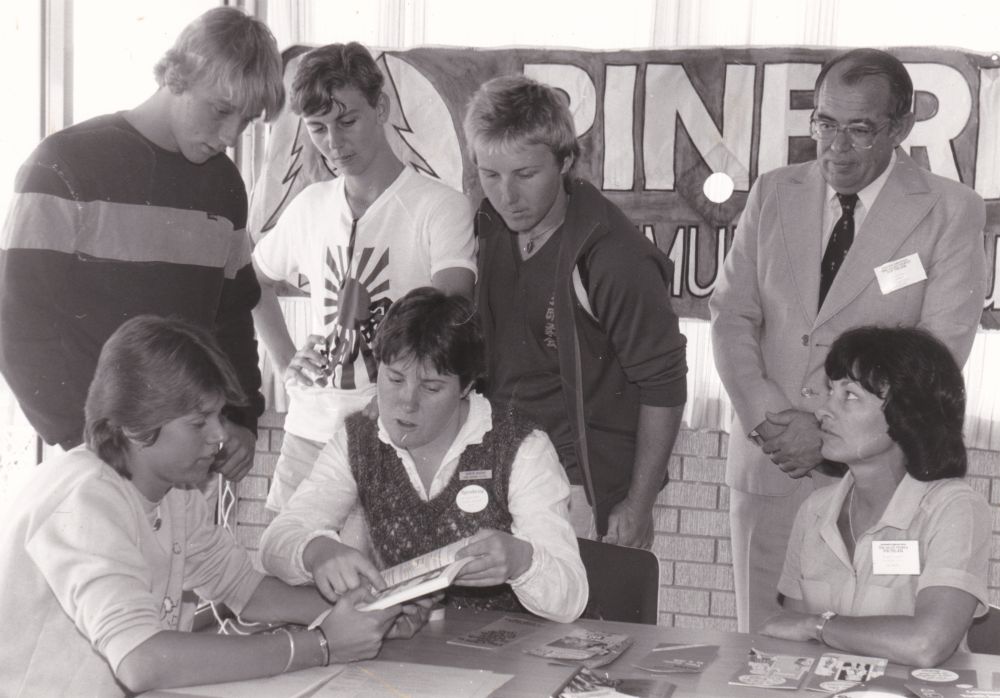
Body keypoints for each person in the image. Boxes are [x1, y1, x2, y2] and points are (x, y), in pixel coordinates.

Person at [0, 315, 428, 695]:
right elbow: (140, 661)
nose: (219, 436)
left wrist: (367, 616)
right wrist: (321, 646)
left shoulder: (176, 491)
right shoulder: (83, 499)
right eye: (198, 422)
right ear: (134, 426)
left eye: (219, 416)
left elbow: (244, 588)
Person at [709, 48, 987, 632]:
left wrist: (834, 425)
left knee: (880, 650)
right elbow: (733, 316)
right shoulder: (772, 192)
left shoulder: (949, 210)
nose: (836, 147)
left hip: (885, 479)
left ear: (901, 128)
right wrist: (775, 420)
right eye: (825, 124)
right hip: (773, 459)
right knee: (765, 647)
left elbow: (939, 350)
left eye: (859, 130)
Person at [0, 7, 285, 482]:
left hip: (188, 467)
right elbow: (18, 323)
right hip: (90, 464)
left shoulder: (225, 186)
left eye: (248, 120)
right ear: (178, 75)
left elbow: (231, 319)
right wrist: (85, 442)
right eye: (221, 109)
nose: (231, 136)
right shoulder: (63, 165)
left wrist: (241, 419)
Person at [260, 287, 588, 623]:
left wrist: (523, 562)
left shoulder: (521, 447)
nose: (407, 401)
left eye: (431, 387)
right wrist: (317, 551)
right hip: (406, 656)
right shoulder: (359, 439)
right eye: (394, 378)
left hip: (511, 660)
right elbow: (276, 541)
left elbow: (571, 599)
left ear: (466, 386)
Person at [464, 75, 687, 549]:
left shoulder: (614, 257)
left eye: (526, 174)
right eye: (490, 175)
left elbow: (665, 387)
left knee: (581, 626)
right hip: (494, 474)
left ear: (565, 161)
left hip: (580, 490)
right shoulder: (486, 227)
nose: (507, 195)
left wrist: (636, 505)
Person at [252, 42, 476, 512]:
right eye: (317, 128)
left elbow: (452, 308)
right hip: (310, 433)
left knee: (385, 581)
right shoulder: (309, 206)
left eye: (347, 121)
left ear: (382, 108)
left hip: (397, 437)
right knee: (283, 570)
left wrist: (396, 392)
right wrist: (286, 361)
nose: (333, 142)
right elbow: (252, 279)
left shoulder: (439, 207)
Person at [760, 326, 990, 668]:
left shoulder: (954, 509)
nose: (823, 411)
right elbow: (791, 643)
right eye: (829, 392)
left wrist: (820, 626)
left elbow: (926, 643)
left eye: (849, 395)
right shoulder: (814, 512)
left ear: (905, 414)